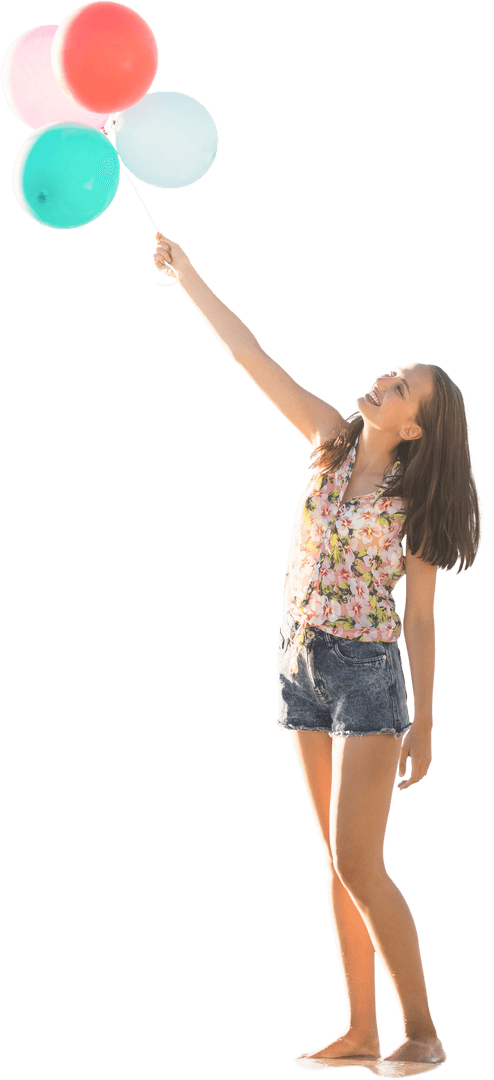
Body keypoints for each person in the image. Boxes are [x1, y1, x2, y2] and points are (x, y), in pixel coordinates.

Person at [153, 233, 483, 1069]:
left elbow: (419, 620)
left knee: (359, 863)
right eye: (390, 371)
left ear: (415, 426)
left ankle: (422, 1031)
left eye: (400, 386)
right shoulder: (330, 442)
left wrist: (427, 723)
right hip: (298, 661)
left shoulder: (413, 505)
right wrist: (188, 273)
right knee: (335, 867)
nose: (383, 380)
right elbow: (249, 355)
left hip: (369, 680)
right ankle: (360, 1031)